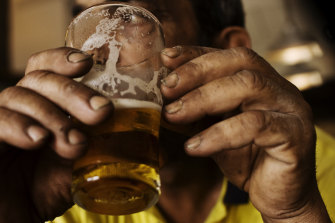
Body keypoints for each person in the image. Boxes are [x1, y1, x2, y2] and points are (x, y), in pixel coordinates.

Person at [0, 0, 334, 222]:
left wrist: (296, 213)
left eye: (129, 22)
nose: (98, 53)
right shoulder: (50, 183)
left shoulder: (308, 166)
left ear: (227, 49)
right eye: (90, 32)